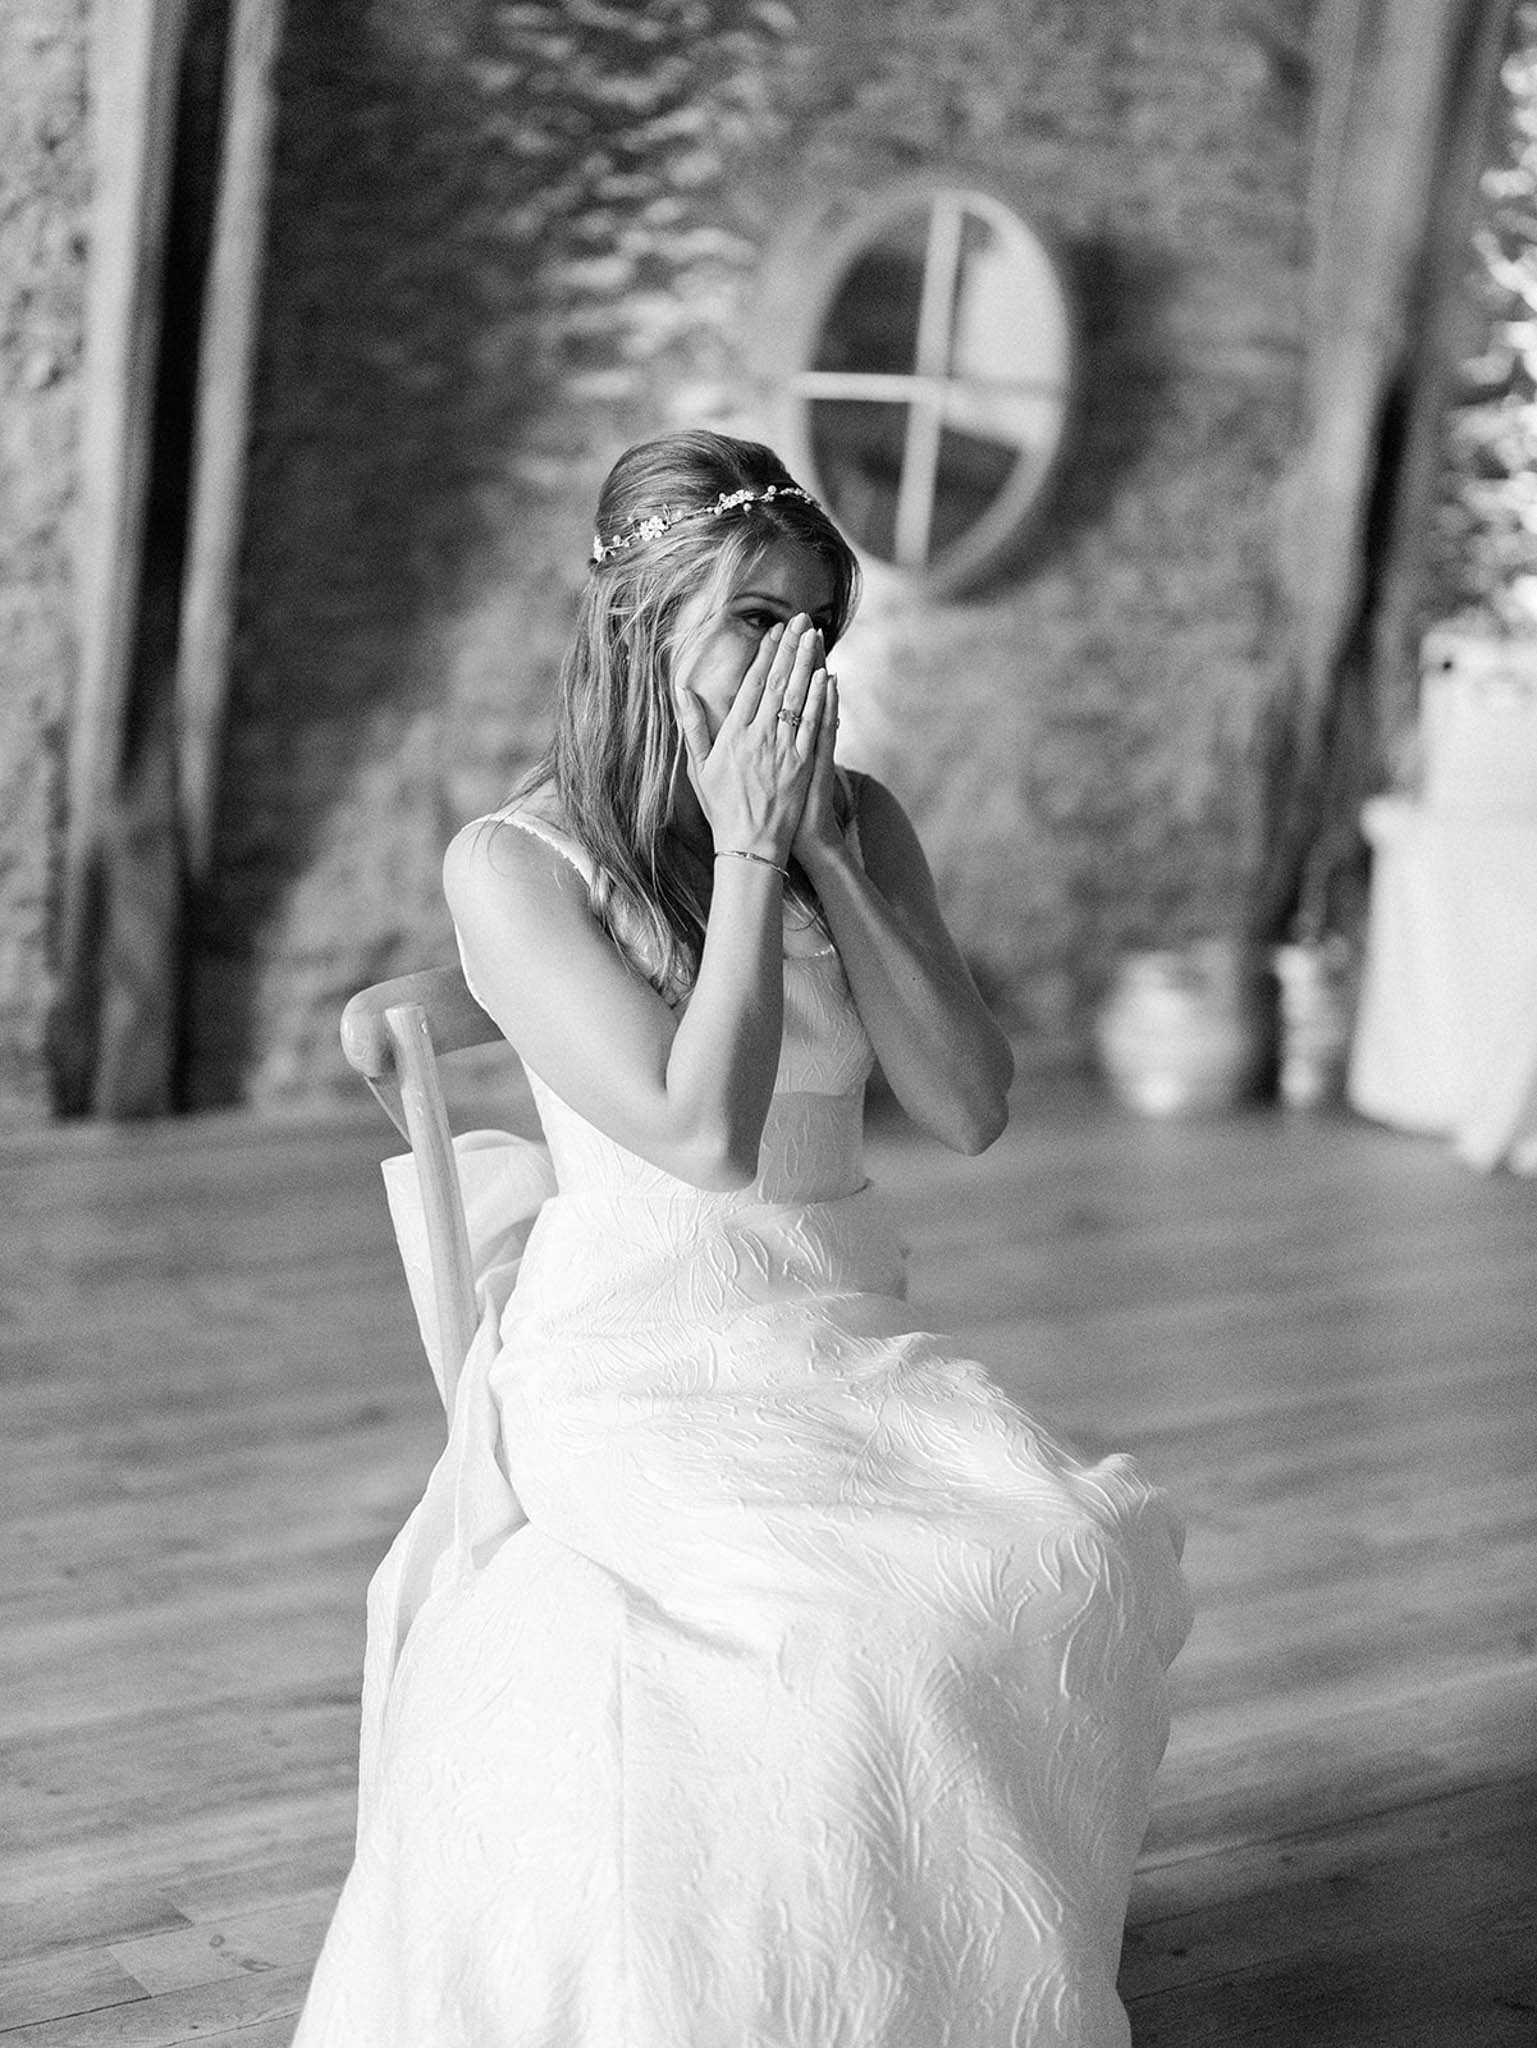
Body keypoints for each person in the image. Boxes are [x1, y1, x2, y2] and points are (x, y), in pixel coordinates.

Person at [292, 429, 1190, 2048]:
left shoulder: (854, 821)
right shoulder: (513, 862)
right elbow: (704, 1139)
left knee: (1068, 1551)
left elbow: (968, 1103)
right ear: (640, 622)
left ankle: (928, 1979)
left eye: (815, 631)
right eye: (751, 619)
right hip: (639, 1350)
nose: (794, 663)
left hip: (832, 1322)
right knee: (853, 1616)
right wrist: (751, 847)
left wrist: (829, 854)